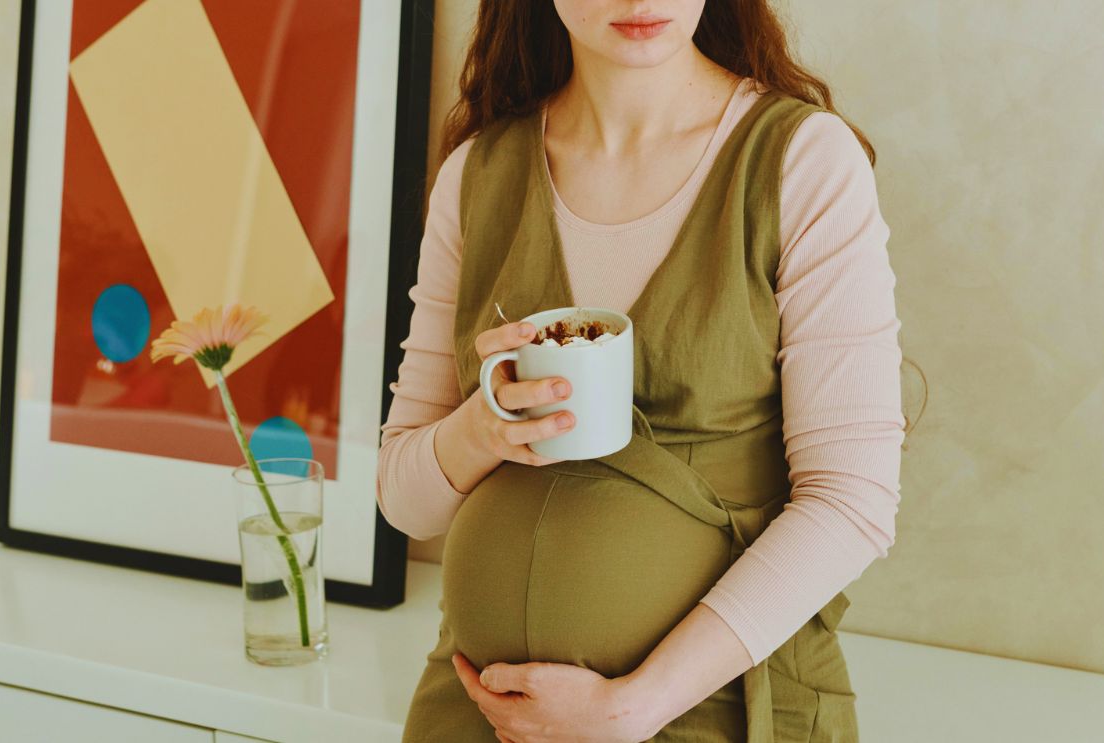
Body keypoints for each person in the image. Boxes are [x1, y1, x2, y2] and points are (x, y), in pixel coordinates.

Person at [377, 1, 905, 740]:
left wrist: (630, 707)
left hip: (721, 707)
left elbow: (851, 501)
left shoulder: (801, 160)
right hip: (480, 711)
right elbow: (407, 503)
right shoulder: (478, 172)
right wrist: (480, 430)